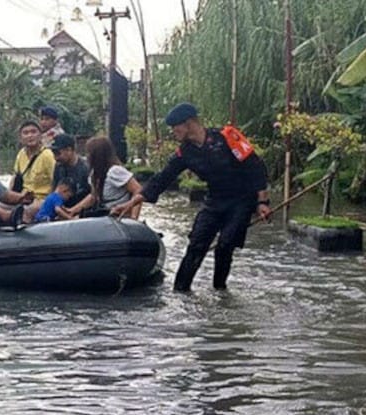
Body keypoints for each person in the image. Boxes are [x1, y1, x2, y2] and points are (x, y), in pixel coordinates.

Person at [111, 103, 271, 292]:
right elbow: (162, 178)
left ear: (188, 123)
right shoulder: (185, 152)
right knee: (196, 244)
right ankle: (180, 291)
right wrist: (131, 203)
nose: (173, 132)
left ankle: (220, 292)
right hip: (214, 201)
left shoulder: (227, 137)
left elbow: (256, 168)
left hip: (242, 200)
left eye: (175, 127)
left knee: (225, 245)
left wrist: (262, 202)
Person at [66, 136, 143, 219]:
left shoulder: (115, 171)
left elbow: (138, 190)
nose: (86, 156)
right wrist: (73, 210)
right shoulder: (94, 174)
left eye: (88, 153)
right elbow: (93, 197)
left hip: (118, 216)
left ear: (97, 155)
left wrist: (134, 217)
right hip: (104, 214)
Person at [50, 133, 91, 207]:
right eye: (54, 154)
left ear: (69, 150)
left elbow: (93, 196)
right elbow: (54, 190)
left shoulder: (85, 168)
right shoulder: (59, 166)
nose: (56, 158)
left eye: (58, 154)